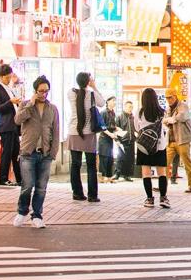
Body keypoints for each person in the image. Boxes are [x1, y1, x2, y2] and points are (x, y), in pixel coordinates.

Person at [13, 76, 61, 228]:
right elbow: (17, 120)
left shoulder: (52, 108)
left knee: (41, 186)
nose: (44, 94)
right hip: (28, 151)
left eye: (46, 91)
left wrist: (53, 152)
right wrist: (30, 104)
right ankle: (22, 212)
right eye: (41, 91)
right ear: (35, 91)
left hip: (45, 153)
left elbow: (56, 131)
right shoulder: (26, 105)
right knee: (27, 185)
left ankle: (37, 215)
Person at [66, 72, 104, 203]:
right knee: (91, 166)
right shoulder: (92, 94)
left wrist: (87, 85)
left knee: (75, 165)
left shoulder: (71, 93)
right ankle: (92, 196)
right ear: (88, 81)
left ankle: (77, 193)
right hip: (88, 134)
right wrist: (94, 86)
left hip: (74, 132)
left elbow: (79, 93)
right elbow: (102, 103)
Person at [135, 88, 170, 208]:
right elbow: (165, 128)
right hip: (159, 146)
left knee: (146, 173)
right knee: (162, 173)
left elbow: (136, 128)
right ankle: (163, 198)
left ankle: (149, 199)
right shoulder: (161, 112)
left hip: (144, 146)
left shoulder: (139, 112)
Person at [0, 64, 23, 187]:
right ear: (1, 76)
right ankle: (3, 178)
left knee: (16, 152)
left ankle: (20, 178)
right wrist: (10, 102)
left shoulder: (8, 88)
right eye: (7, 77)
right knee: (7, 153)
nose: (9, 80)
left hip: (14, 125)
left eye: (10, 77)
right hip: (6, 126)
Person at [162, 91, 191, 192]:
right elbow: (164, 120)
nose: (169, 100)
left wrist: (170, 119)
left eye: (170, 97)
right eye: (167, 98)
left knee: (187, 163)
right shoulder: (168, 109)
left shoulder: (183, 106)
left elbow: (181, 117)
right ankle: (162, 185)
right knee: (165, 163)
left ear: (175, 96)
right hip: (171, 141)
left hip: (183, 140)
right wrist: (169, 120)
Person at [97, 96, 119, 183]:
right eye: (113, 101)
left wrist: (117, 129)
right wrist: (110, 134)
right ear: (108, 101)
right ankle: (103, 176)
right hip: (104, 138)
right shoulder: (103, 112)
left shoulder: (113, 113)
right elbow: (102, 126)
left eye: (115, 101)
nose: (114, 103)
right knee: (104, 157)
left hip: (110, 139)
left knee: (110, 157)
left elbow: (112, 125)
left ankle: (109, 176)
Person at [115, 99, 136, 181]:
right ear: (125, 107)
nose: (130, 108)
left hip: (131, 140)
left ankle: (127, 175)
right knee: (120, 158)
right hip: (122, 141)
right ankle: (117, 173)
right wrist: (117, 140)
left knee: (130, 159)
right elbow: (115, 128)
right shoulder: (120, 117)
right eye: (129, 107)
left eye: (132, 107)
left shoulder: (133, 118)